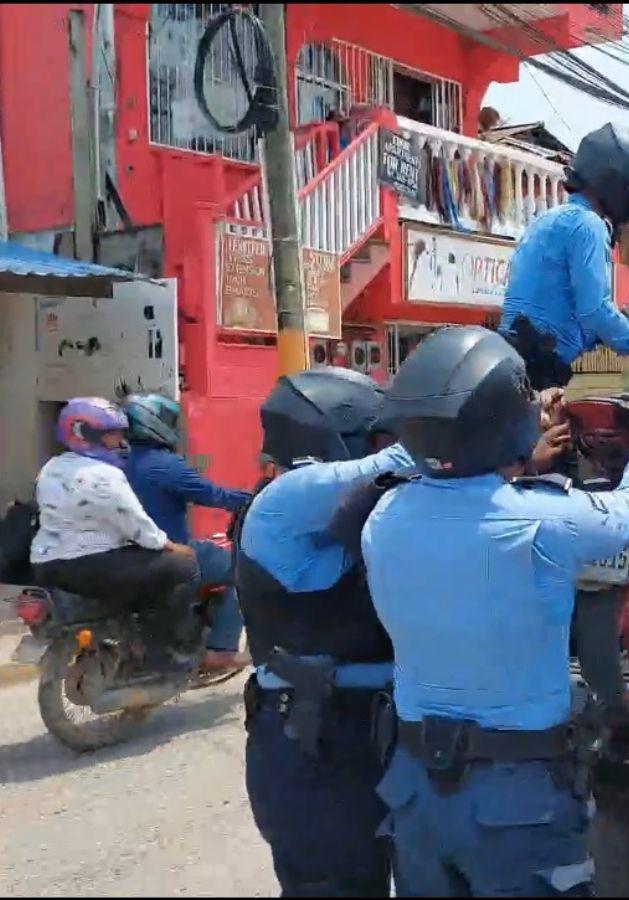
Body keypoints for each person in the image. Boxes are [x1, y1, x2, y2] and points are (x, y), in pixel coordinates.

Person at [362, 325, 629, 897]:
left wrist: (520, 446)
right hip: (516, 799)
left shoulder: (385, 515)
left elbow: (466, 492)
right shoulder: (541, 522)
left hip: (416, 787)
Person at [236, 368, 415, 898]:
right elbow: (407, 462)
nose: (392, 445)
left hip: (382, 734)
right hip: (315, 746)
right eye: (380, 436)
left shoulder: (378, 515)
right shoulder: (285, 499)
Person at [500, 123, 629, 389]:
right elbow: (593, 310)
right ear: (620, 186)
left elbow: (569, 307)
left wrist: (619, 328)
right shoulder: (588, 226)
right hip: (537, 363)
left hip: (513, 356)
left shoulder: (550, 218)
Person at [29, 397, 200, 672]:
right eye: (112, 435)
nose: (120, 442)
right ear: (86, 435)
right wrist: (170, 545)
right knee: (185, 566)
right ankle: (165, 651)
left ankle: (128, 634)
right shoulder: (106, 475)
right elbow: (138, 526)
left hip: (46, 565)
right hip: (90, 564)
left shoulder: (51, 468)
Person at [122, 393, 253, 673]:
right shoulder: (165, 465)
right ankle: (222, 649)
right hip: (171, 551)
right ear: (155, 423)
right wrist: (254, 498)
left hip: (126, 554)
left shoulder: (117, 461)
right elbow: (212, 494)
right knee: (240, 571)